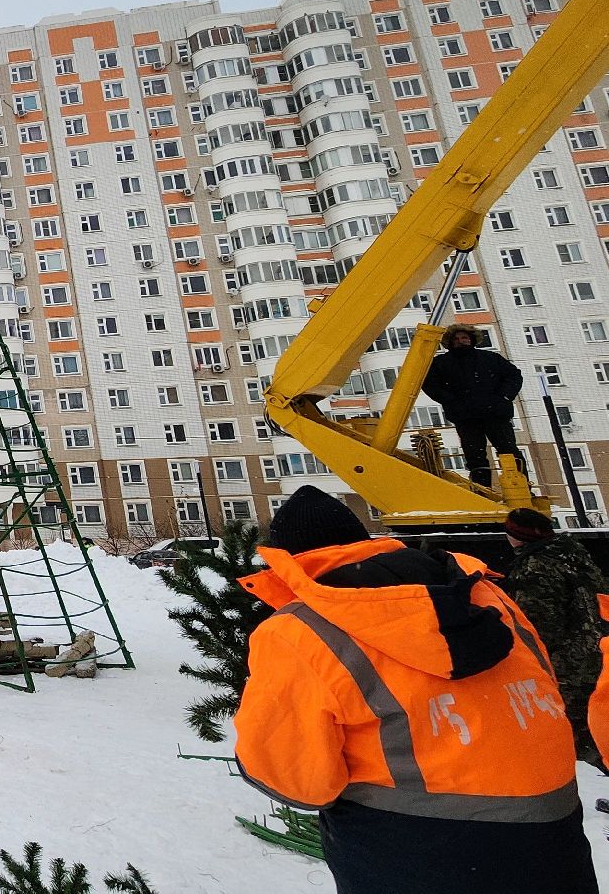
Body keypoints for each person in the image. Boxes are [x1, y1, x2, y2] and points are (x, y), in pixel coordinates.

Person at [233, 485, 594, 894]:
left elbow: (297, 780)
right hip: (555, 836)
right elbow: (545, 684)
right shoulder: (485, 595)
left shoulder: (299, 632)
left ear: (285, 560)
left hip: (409, 851)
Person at [501, 506, 609, 770]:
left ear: (517, 536)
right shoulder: (572, 553)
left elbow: (539, 622)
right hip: (599, 647)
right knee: (600, 723)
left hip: (570, 661)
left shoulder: (535, 566)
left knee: (581, 732)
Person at [421, 323, 525, 487]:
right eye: (456, 339)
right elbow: (430, 385)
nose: (460, 341)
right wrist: (452, 402)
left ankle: (521, 486)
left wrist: (504, 397)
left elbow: (514, 376)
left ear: (471, 339)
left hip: (495, 414)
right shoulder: (441, 363)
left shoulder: (490, 358)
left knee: (508, 450)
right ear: (449, 342)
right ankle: (483, 490)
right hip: (467, 417)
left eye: (464, 337)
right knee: (475, 456)